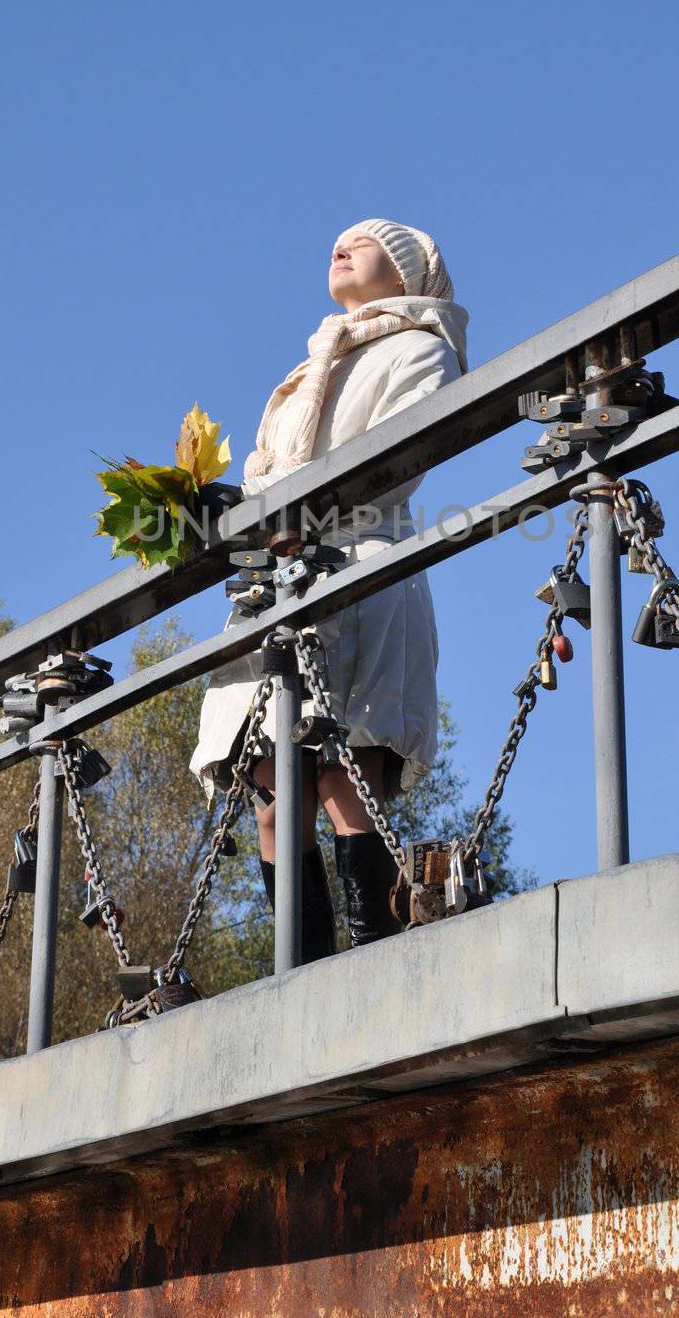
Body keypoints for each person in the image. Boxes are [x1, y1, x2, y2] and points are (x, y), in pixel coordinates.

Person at [189, 219, 468, 958]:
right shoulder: (306, 366)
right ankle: (298, 972)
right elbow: (262, 472)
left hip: (362, 566)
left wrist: (272, 500)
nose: (341, 247)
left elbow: (396, 464)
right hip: (275, 584)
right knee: (275, 798)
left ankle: (374, 956)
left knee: (351, 776)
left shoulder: (422, 349)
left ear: (405, 272)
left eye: (366, 242)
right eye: (337, 241)